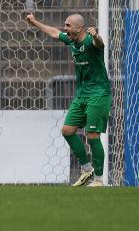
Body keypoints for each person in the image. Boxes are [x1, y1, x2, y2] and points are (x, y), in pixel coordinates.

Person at [26, 12, 111, 186]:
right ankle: (87, 169)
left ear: (79, 28)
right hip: (81, 95)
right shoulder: (72, 40)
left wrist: (96, 36)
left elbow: (99, 43)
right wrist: (35, 23)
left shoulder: (91, 41)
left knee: (92, 136)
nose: (65, 28)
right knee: (67, 131)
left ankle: (99, 180)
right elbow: (54, 32)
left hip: (98, 94)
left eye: (68, 25)